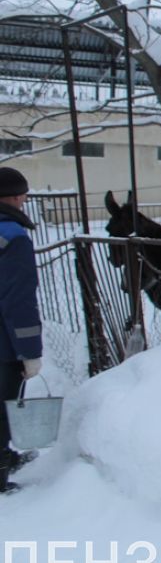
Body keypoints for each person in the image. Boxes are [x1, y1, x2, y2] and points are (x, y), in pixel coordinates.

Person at [0, 166, 43, 494]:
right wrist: (29, 353)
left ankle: (7, 456)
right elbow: (18, 301)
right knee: (4, 406)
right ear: (16, 197)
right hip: (4, 345)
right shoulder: (13, 237)